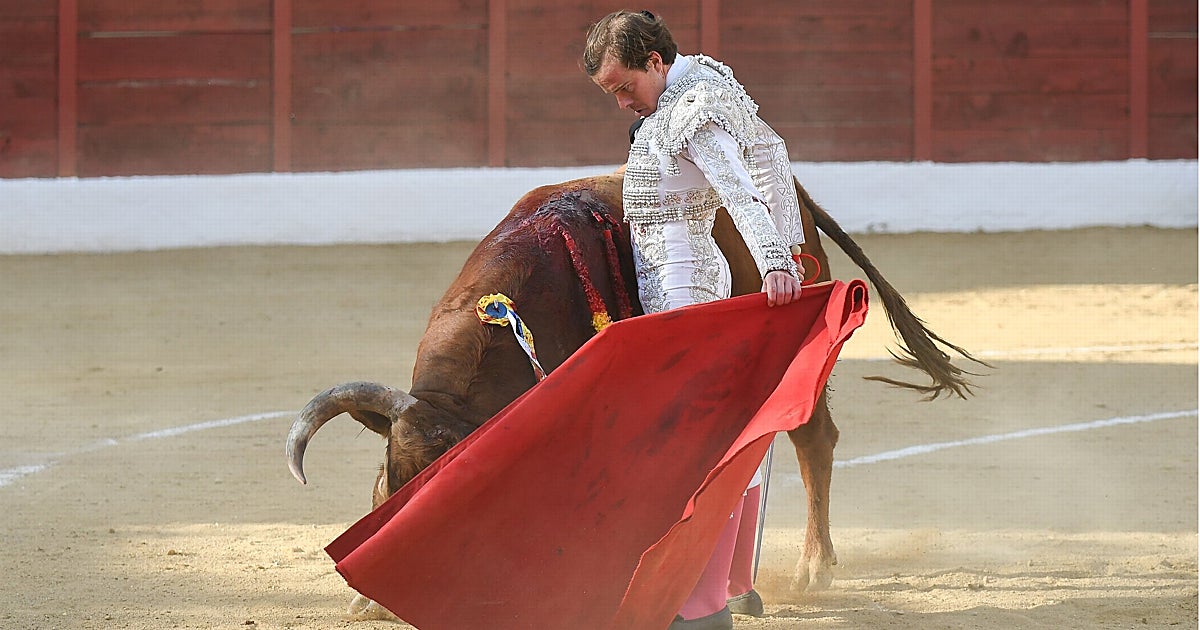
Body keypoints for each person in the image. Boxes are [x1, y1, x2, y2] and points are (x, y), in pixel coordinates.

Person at [582, 10, 805, 630]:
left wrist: (777, 260)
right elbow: (772, 150)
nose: (623, 102)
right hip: (676, 284)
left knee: (692, 440)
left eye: (626, 85)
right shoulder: (690, 92)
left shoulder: (690, 108)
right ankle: (733, 581)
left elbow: (740, 182)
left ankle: (703, 606)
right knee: (715, 431)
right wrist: (785, 244)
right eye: (612, 94)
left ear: (656, 60)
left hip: (685, 287)